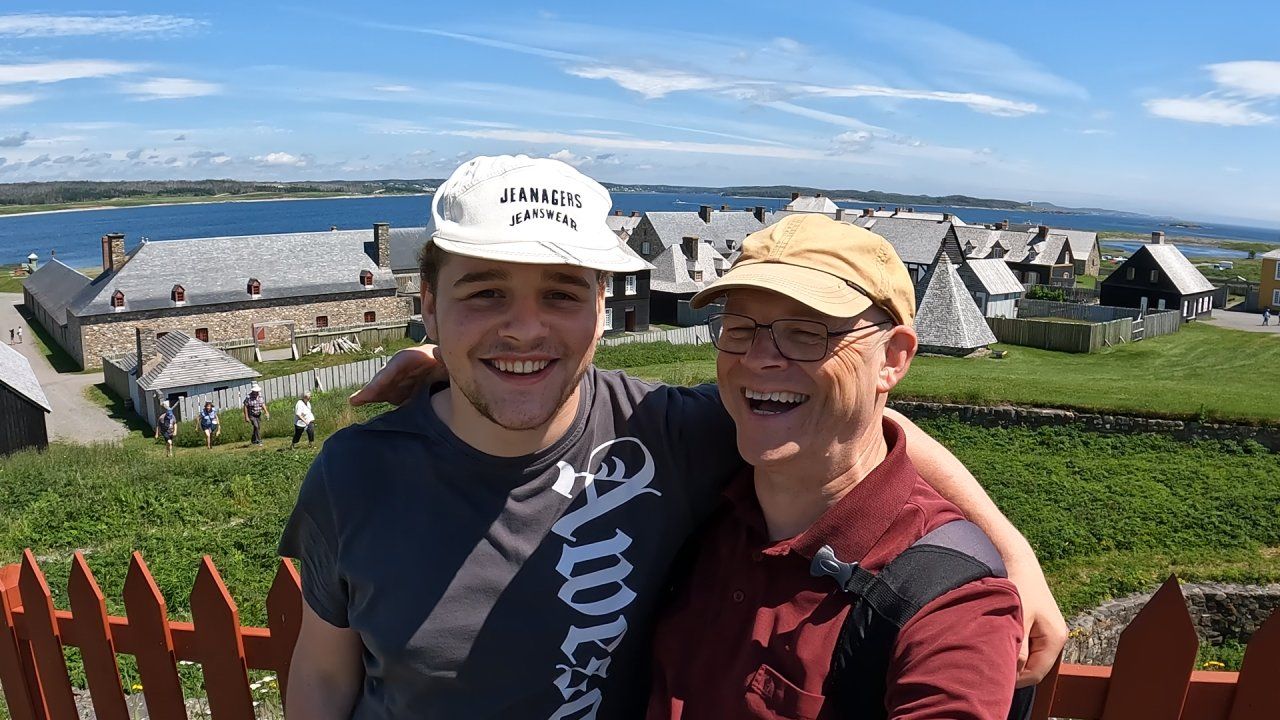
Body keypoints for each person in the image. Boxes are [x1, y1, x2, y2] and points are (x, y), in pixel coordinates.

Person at [279, 155, 1065, 719]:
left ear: (598, 307)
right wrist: (459, 364)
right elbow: (322, 675)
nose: (526, 327)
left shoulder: (664, 433)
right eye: (484, 293)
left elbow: (855, 422)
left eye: (561, 293)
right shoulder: (356, 475)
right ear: (427, 301)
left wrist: (1007, 557)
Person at [648, 214, 1023, 719]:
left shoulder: (950, 599)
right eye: (738, 328)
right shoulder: (694, 496)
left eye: (806, 334)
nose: (759, 359)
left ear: (892, 359)